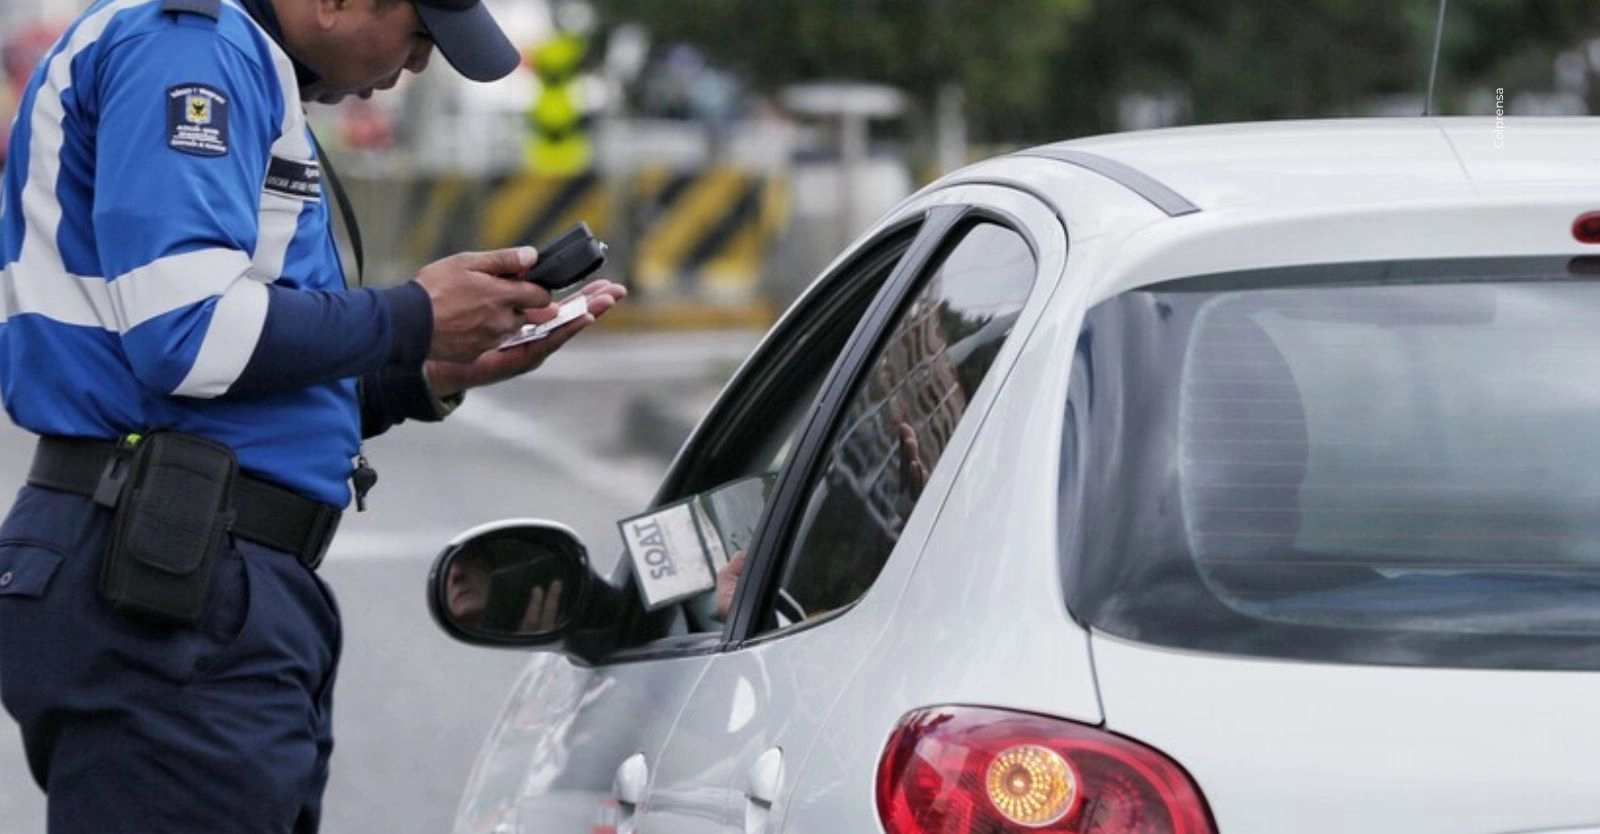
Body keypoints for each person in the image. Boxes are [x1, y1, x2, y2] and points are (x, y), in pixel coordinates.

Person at [0, 0, 625, 831]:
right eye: (418, 34)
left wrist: (422, 371)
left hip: (184, 572)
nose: (416, 67)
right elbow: (185, 337)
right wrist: (410, 317)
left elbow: (225, 380)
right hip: (165, 583)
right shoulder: (189, 50)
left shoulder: (237, 58)